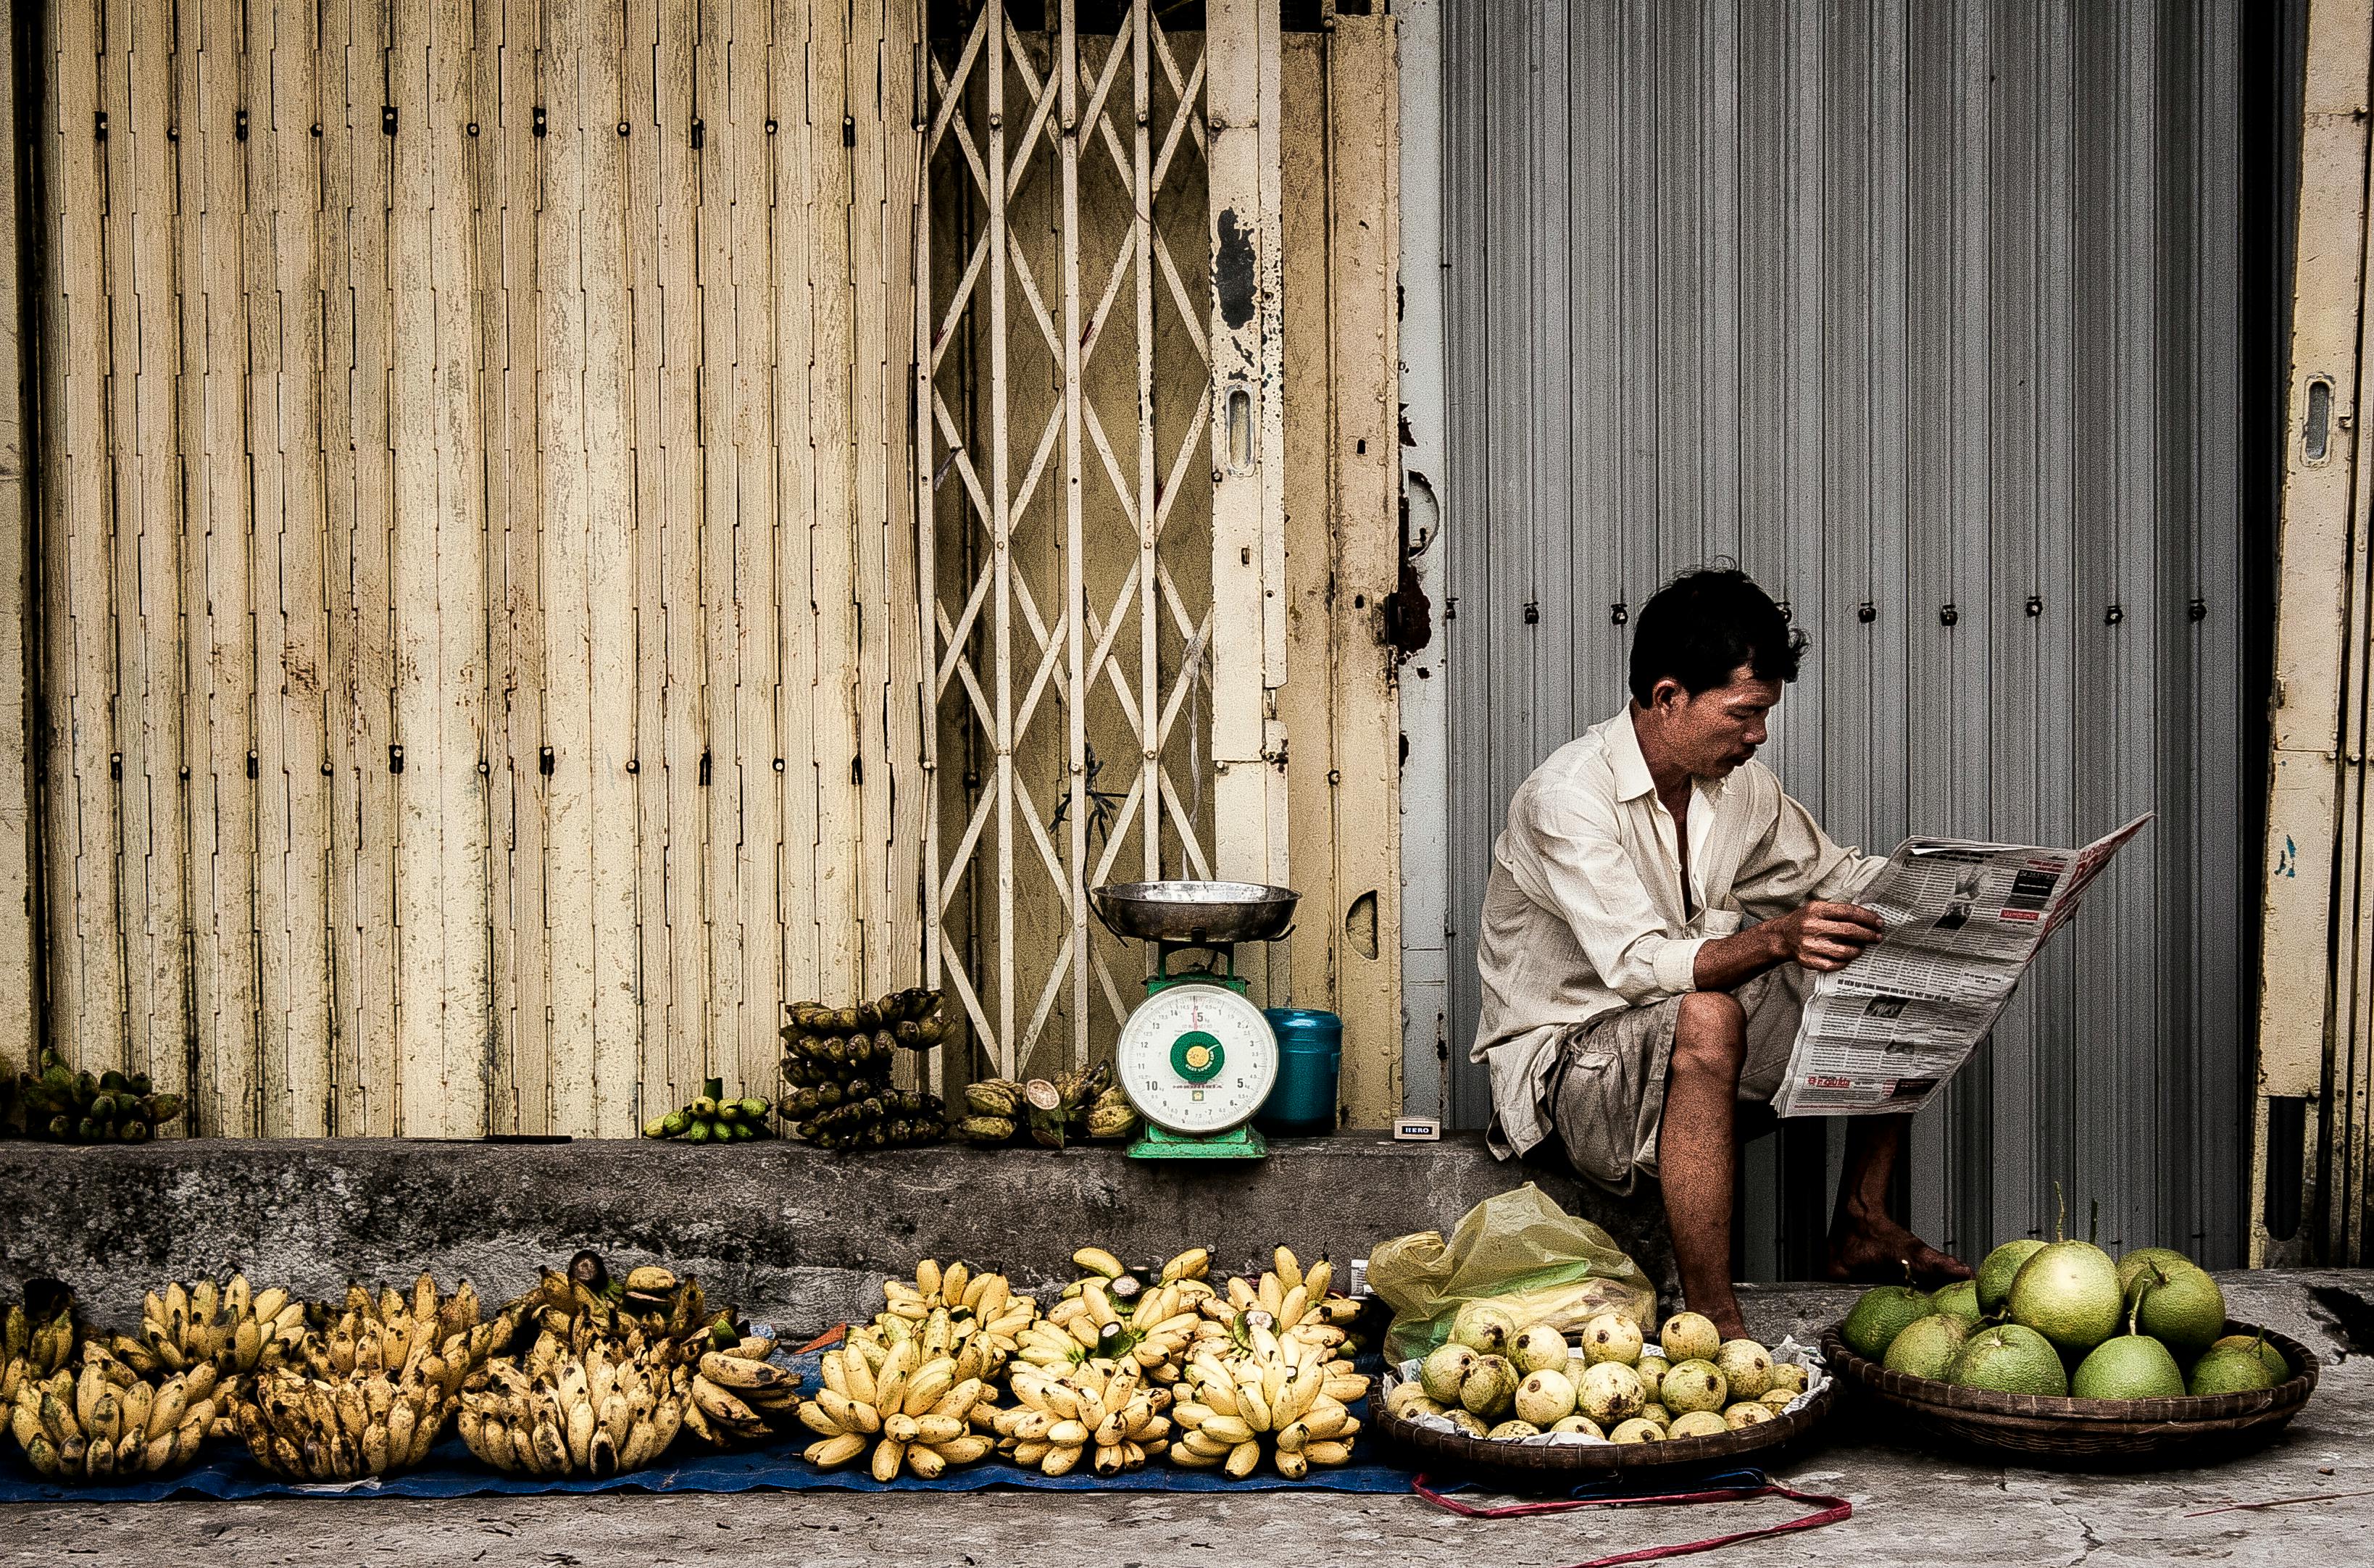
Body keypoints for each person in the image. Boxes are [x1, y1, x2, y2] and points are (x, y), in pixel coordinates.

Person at [1470, 566, 1970, 1338]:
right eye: (1745, 712)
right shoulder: (1566, 796)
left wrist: (1971, 896)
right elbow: (1640, 967)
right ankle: (1714, 1318)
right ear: (1668, 698)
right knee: (1707, 1015)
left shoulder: (1742, 788)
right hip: (1569, 1076)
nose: (1760, 734)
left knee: (1870, 943)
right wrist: (1774, 935)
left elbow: (1840, 880)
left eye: (1765, 713)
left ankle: (1863, 1220)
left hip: (1681, 1053)